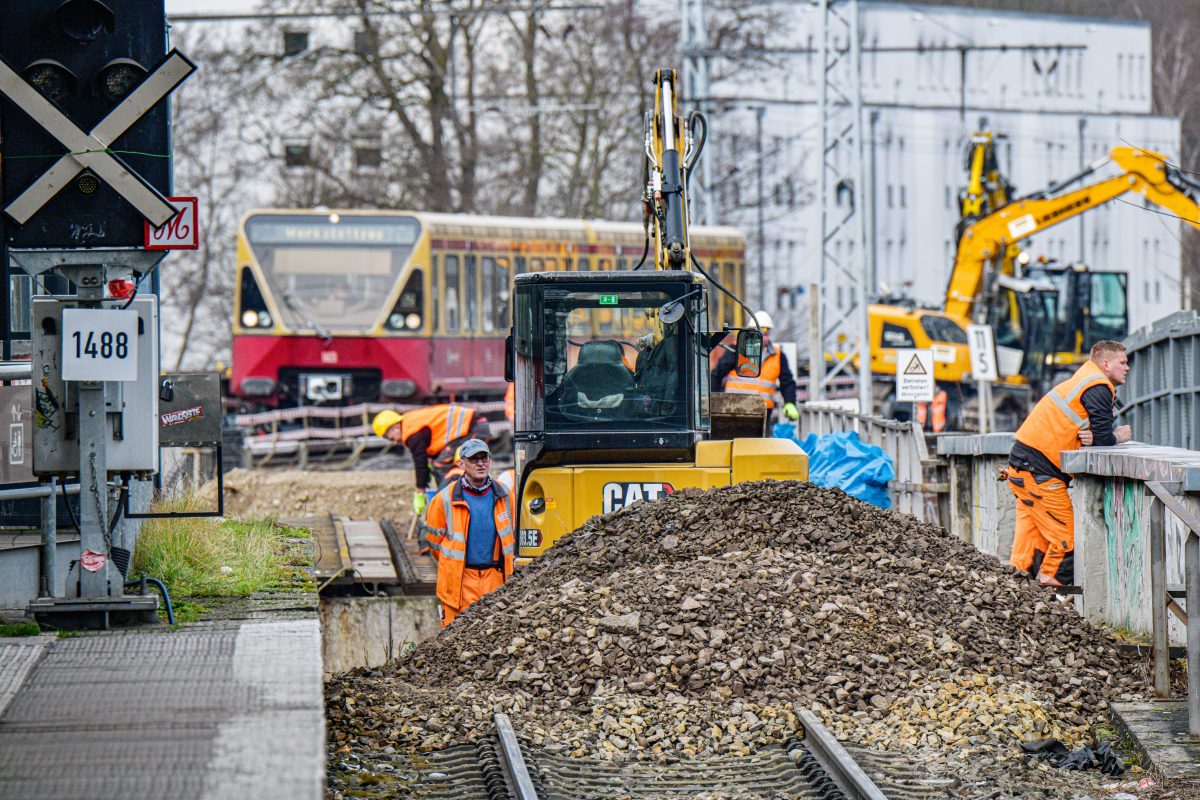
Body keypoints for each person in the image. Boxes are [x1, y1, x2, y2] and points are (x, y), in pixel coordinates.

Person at [1006, 340, 1131, 586]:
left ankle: (1015, 588)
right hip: (1039, 472)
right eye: (1123, 362)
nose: (1127, 368)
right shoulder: (1098, 387)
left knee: (1031, 544)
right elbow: (1105, 437)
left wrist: (1096, 437)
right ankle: (1050, 583)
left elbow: (1095, 435)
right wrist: (1120, 436)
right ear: (1106, 364)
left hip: (1025, 468)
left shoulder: (1083, 379)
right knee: (1066, 539)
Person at [423, 439, 515, 627]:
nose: (480, 463)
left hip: (496, 578)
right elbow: (434, 543)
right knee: (456, 640)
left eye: (484, 458)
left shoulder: (505, 495)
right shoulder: (444, 499)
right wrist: (453, 566)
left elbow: (512, 532)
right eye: (474, 459)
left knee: (495, 636)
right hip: (460, 582)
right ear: (461, 464)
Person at [371, 404, 490, 515]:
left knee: (445, 466)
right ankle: (449, 503)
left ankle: (453, 504)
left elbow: (420, 461)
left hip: (473, 428)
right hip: (472, 428)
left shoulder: (410, 432)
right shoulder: (411, 423)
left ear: (395, 427)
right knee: (438, 466)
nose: (395, 442)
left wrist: (419, 490)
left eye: (391, 438)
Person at [710, 310, 799, 421]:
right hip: (734, 412)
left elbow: (787, 383)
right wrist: (714, 403)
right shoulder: (735, 351)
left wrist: (790, 402)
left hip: (764, 414)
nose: (762, 337)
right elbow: (716, 375)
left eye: (765, 334)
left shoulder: (778, 356)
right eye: (759, 333)